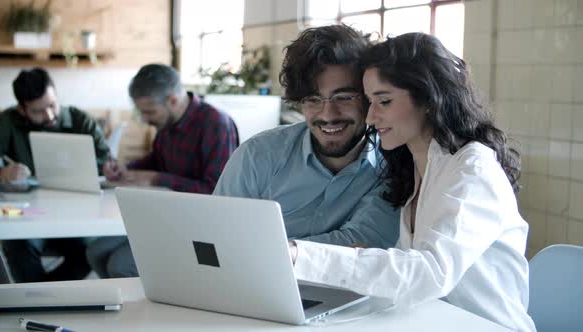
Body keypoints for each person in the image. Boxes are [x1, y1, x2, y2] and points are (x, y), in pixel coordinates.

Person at [289, 32, 536, 332]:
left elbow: (430, 272)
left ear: (428, 99)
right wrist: (357, 257)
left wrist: (302, 255)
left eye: (384, 101)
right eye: (368, 102)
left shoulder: (472, 168)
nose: (369, 117)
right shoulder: (415, 167)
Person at [214, 25, 399, 249]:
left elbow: (365, 242)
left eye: (344, 97)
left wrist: (274, 253)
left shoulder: (393, 164)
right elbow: (220, 235)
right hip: (253, 282)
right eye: (313, 99)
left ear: (369, 97)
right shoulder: (257, 156)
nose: (328, 115)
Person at [86, 63, 239, 278]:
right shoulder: (167, 124)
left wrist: (157, 179)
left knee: (120, 265)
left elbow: (215, 192)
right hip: (165, 217)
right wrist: (125, 169)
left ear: (173, 100)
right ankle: (126, 304)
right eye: (141, 112)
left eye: (149, 111)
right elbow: (156, 160)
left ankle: (147, 306)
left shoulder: (215, 124)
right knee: (96, 252)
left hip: (199, 229)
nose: (146, 119)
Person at [0, 67, 110, 282]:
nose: (49, 115)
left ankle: (42, 295)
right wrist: (2, 172)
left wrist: (101, 168)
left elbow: (107, 162)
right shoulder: (7, 122)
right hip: (28, 210)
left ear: (56, 95)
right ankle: (37, 299)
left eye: (52, 105)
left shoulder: (80, 120)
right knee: (19, 246)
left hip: (76, 210)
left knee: (90, 249)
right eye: (38, 111)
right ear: (22, 109)